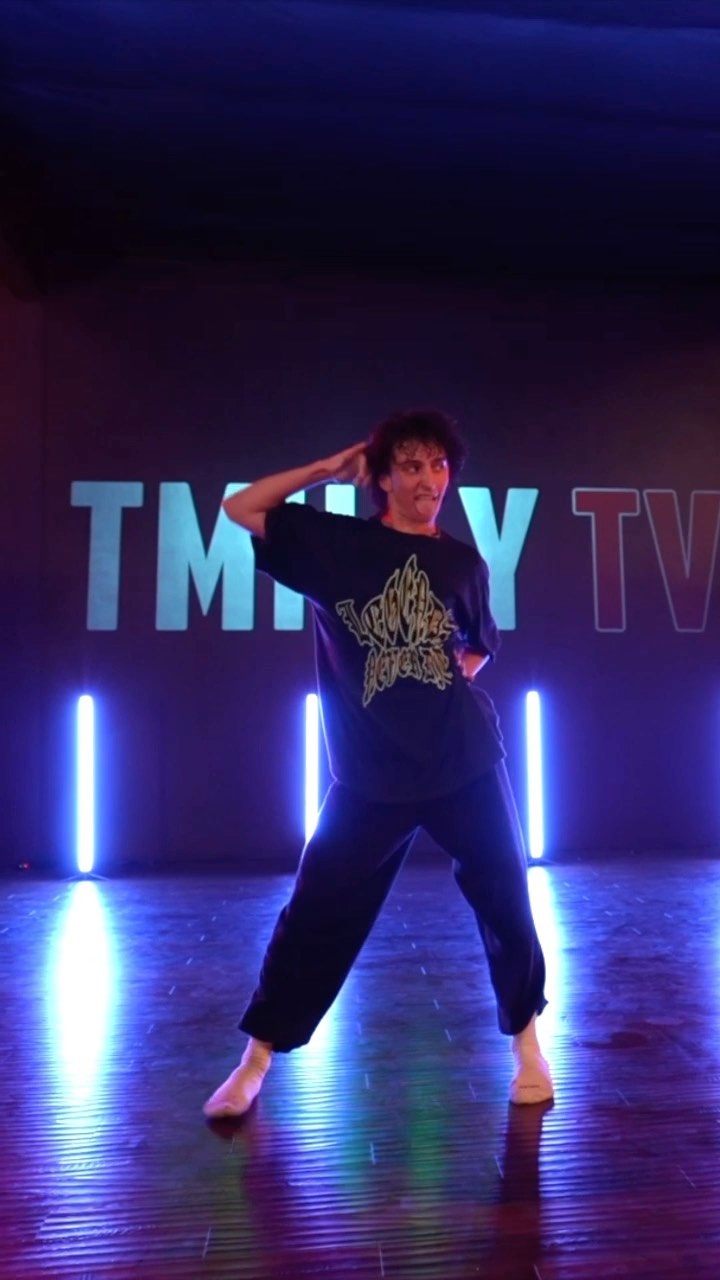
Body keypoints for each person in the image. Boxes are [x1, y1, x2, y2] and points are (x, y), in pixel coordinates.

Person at [204, 408, 553, 1118]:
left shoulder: (463, 563)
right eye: (412, 465)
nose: (429, 480)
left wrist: (435, 685)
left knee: (507, 901)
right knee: (315, 912)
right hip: (369, 775)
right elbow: (241, 507)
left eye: (439, 466)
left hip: (463, 762)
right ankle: (255, 1061)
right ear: (385, 477)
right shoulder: (338, 546)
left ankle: (528, 1047)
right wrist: (326, 470)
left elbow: (478, 647)